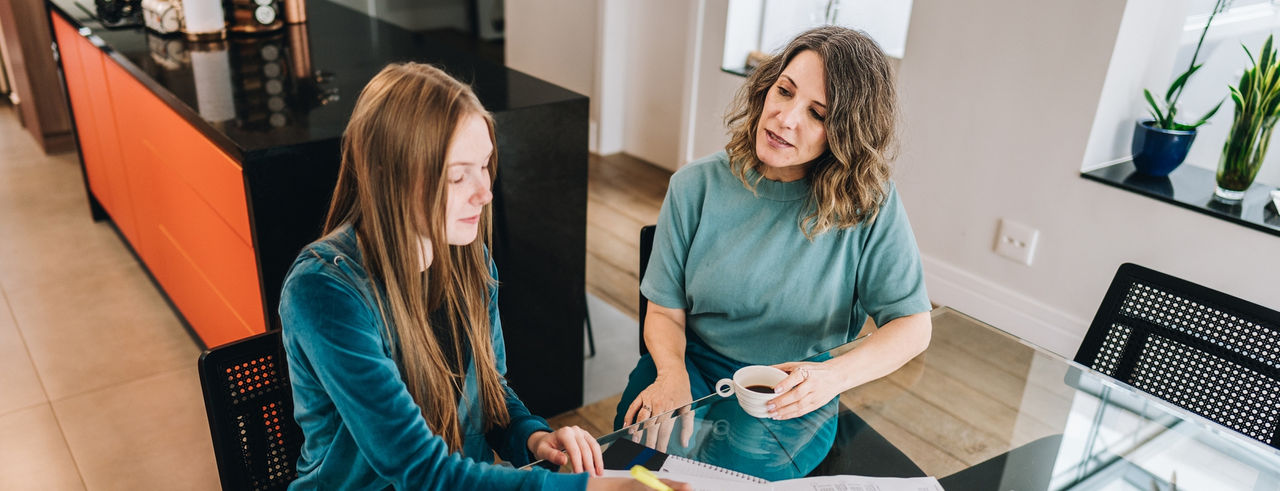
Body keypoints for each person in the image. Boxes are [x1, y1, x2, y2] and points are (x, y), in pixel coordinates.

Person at [280, 62, 687, 490]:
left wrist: (533, 437)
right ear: (389, 178)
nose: (485, 192)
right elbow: (422, 471)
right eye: (457, 176)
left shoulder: (466, 259)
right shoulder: (324, 291)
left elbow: (488, 392)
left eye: (485, 165)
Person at [616, 26, 933, 430]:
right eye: (784, 91)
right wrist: (671, 376)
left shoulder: (870, 204)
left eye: (817, 114)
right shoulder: (695, 185)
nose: (784, 118)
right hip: (685, 361)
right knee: (629, 468)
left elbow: (913, 326)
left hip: (791, 387)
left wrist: (831, 378)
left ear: (846, 135)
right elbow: (663, 310)